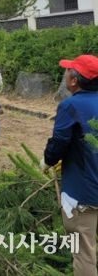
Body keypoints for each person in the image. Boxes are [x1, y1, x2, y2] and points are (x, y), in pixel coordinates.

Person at [41, 54, 98, 276]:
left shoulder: (70, 106)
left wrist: (47, 160)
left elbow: (60, 141)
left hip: (84, 193)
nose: (64, 73)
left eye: (67, 70)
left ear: (74, 80)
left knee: (83, 252)